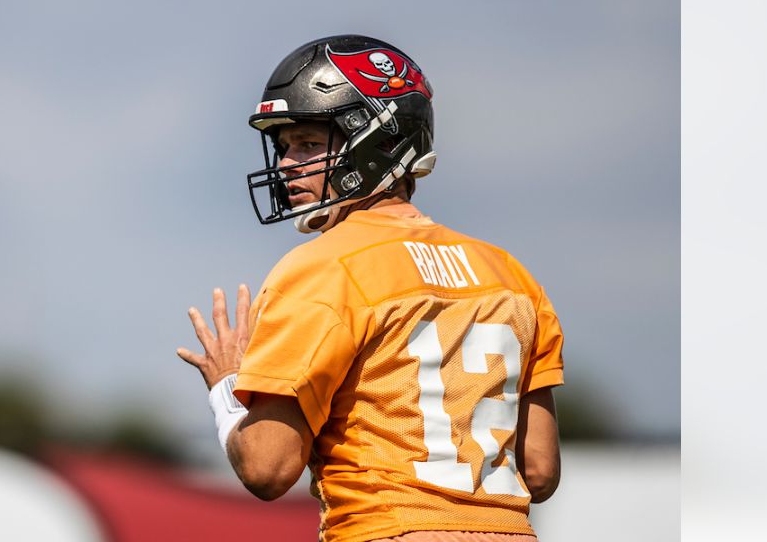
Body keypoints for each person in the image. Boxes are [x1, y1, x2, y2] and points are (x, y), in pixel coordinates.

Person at [178, 35, 564, 542]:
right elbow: (539, 471)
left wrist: (228, 386)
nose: (287, 165)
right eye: (285, 147)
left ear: (377, 142)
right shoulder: (512, 276)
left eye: (309, 143)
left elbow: (267, 468)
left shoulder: (324, 267)